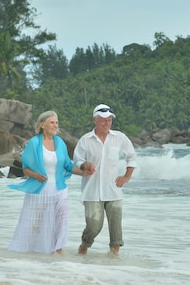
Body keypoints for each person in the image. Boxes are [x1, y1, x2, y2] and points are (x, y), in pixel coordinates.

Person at [7, 111, 85, 255]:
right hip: (40, 191)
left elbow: (68, 165)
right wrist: (36, 175)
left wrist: (84, 172)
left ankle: (58, 250)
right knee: (36, 224)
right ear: (42, 125)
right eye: (52, 122)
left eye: (56, 123)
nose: (55, 125)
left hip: (60, 189)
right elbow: (25, 169)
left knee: (62, 220)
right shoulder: (34, 143)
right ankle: (35, 252)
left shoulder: (60, 143)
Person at [74, 104, 138, 256]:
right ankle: (84, 245)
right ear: (95, 120)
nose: (107, 123)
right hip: (92, 191)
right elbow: (76, 160)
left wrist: (127, 176)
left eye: (109, 120)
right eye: (103, 120)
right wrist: (84, 165)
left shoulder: (119, 138)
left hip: (113, 190)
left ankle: (114, 260)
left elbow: (132, 157)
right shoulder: (85, 140)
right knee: (94, 226)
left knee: (116, 229)